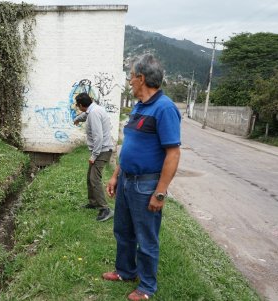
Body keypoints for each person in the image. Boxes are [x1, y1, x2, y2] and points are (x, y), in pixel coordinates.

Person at [103, 54, 181, 300]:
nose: (128, 82)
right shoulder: (138, 106)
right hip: (126, 179)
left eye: (131, 77)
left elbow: (173, 153)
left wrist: (160, 192)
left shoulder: (165, 108)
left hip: (146, 184)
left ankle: (147, 287)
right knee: (123, 230)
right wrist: (116, 175)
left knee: (146, 237)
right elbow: (130, 144)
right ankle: (125, 271)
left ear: (141, 78)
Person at [73, 92, 114, 222]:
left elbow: (98, 137)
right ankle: (93, 202)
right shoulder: (94, 109)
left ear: (80, 105)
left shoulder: (95, 113)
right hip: (101, 149)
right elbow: (85, 115)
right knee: (89, 177)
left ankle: (105, 209)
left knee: (94, 179)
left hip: (102, 150)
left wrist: (94, 155)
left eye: (77, 105)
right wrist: (78, 119)